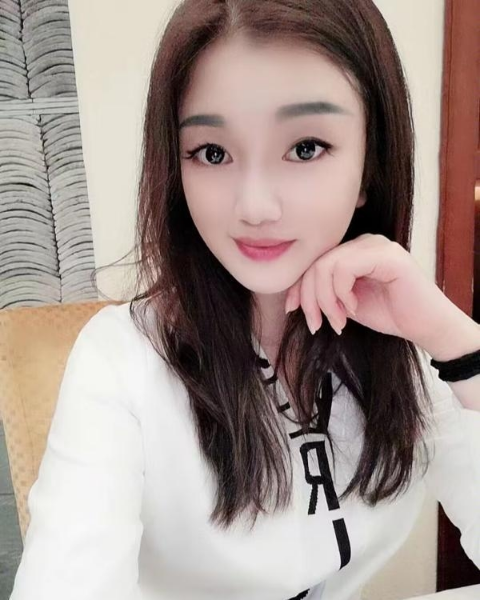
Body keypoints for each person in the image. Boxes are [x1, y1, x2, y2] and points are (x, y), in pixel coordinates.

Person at [9, 1, 480, 599]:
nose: (254, 206)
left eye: (305, 147)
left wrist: (456, 342)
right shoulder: (122, 362)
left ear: (371, 168)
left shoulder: (401, 341)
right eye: (212, 152)